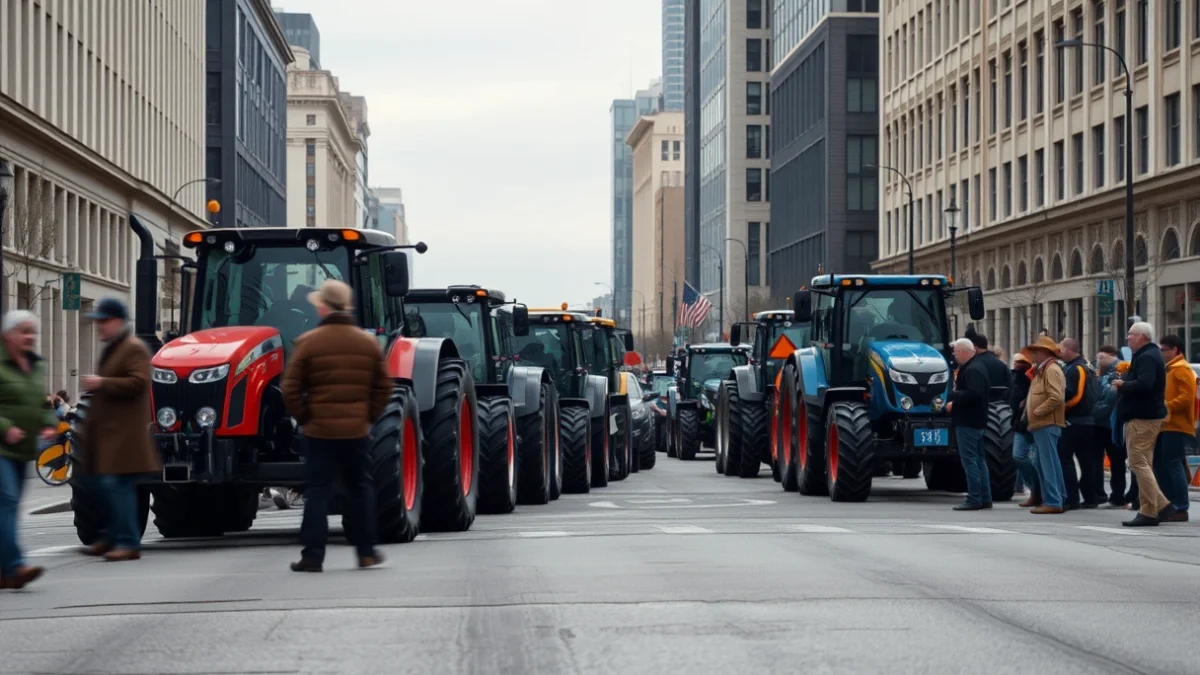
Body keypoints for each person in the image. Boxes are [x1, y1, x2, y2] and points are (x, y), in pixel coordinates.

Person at [282, 279, 391, 572]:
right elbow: (384, 387)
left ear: (322, 307)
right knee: (360, 488)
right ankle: (366, 551)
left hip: (319, 431)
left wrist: (305, 417)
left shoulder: (307, 342)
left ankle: (313, 556)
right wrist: (368, 416)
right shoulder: (367, 342)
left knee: (318, 491)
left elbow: (290, 388)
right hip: (356, 430)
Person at [79, 298, 160, 561]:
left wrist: (102, 383)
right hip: (110, 435)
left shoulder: (133, 348)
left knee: (116, 485)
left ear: (117, 322)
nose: (99, 327)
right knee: (105, 484)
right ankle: (112, 536)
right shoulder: (115, 348)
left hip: (124, 435)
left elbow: (138, 382)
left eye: (104, 321)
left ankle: (126, 541)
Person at [0, 312, 59, 589]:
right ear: (7, 335)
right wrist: (5, 428)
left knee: (9, 508)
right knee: (7, 501)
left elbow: (41, 402)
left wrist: (48, 423)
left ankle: (4, 572)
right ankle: (15, 567)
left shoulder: (36, 366)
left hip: (22, 452)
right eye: (23, 331)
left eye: (33, 332)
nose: (30, 337)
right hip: (2, 449)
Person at [1114, 322, 1173, 527]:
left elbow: (1145, 385)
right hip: (1145, 417)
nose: (1127, 338)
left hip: (1142, 418)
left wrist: (1122, 385)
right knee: (1142, 464)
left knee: (1137, 463)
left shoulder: (1147, 356)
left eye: (1131, 334)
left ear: (1142, 337)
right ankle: (1159, 506)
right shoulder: (1149, 355)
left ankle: (1152, 510)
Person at [1024, 335, 1068, 515]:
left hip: (1046, 423)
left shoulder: (1050, 370)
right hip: (1043, 423)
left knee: (1047, 463)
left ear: (1043, 353)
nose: (1032, 355)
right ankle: (1057, 497)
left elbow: (1056, 397)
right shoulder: (1044, 370)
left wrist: (1037, 412)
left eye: (1035, 352)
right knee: (1047, 462)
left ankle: (1053, 500)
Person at [946, 338, 992, 510]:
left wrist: (953, 396)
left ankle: (974, 498)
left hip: (968, 421)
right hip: (977, 420)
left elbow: (974, 395)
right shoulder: (978, 367)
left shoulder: (972, 370)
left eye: (956, 352)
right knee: (980, 460)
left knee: (970, 460)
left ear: (965, 352)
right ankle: (985, 497)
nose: (954, 355)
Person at [1153, 334, 1195, 522]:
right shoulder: (1170, 369)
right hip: (1165, 424)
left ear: (1175, 350)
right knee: (1161, 464)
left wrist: (1167, 406)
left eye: (1164, 350)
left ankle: (1180, 506)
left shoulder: (1181, 369)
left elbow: (1187, 397)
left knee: (1172, 463)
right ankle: (1168, 504)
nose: (1161, 353)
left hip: (1176, 425)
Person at [1058, 338, 1102, 509]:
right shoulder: (1088, 367)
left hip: (1075, 419)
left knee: (1065, 458)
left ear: (1069, 350)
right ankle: (1091, 498)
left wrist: (1061, 409)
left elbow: (1073, 395)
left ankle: (1072, 497)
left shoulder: (1076, 369)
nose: (1060, 353)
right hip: (1088, 420)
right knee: (1086, 460)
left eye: (1061, 349)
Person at [1093, 345, 1126, 507]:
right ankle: (1115, 495)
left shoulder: (1109, 377)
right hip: (1111, 425)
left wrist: (1095, 413)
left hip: (1107, 425)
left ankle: (1107, 494)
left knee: (1107, 460)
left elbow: (1109, 400)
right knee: (1114, 461)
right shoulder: (1103, 376)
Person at [1010, 351, 1037, 504]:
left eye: (1020, 361)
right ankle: (1035, 488)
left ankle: (1037, 490)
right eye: (1016, 361)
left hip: (1031, 421)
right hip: (1020, 422)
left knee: (1032, 457)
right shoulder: (1015, 377)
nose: (1017, 364)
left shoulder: (1031, 376)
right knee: (1019, 456)